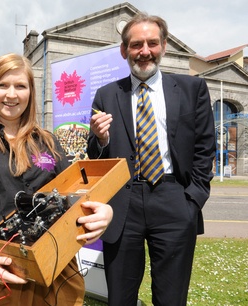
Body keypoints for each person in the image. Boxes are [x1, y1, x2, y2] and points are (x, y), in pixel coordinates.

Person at [0, 53, 113, 305]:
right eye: (2, 85)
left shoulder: (49, 143)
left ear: (31, 92)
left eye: (20, 86)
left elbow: (75, 196)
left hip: (57, 269)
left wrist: (104, 212)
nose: (11, 95)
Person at [87, 12, 216, 306]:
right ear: (124, 50)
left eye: (152, 43)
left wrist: (192, 201)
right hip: (122, 204)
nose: (144, 51)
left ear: (164, 45)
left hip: (175, 201)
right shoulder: (106, 94)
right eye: (136, 45)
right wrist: (101, 138)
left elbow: (205, 148)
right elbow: (95, 157)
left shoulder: (191, 89)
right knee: (119, 297)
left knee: (171, 298)